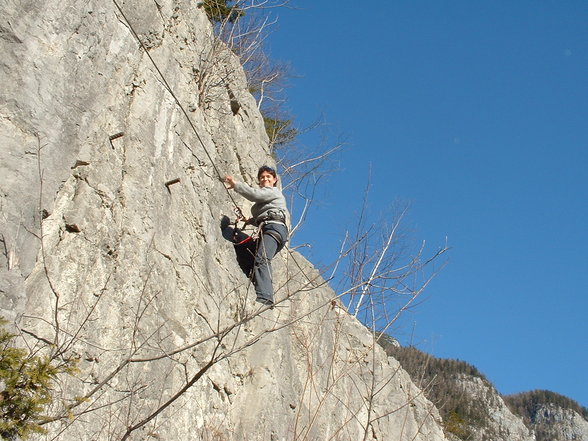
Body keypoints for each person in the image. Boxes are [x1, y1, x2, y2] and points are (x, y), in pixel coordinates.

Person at [224, 166, 289, 306]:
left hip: (274, 229)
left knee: (262, 258)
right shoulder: (267, 199)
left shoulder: (273, 192)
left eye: (268, 177)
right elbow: (264, 215)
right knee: (245, 249)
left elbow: (255, 195)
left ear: (274, 180)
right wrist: (248, 220)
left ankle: (266, 297)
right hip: (269, 228)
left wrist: (236, 185)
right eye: (262, 177)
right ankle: (254, 279)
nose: (265, 179)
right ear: (259, 181)